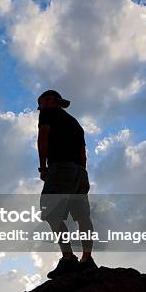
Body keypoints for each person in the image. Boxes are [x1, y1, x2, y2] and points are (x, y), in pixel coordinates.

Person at [37, 89, 97, 279]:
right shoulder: (76, 124)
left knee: (49, 211)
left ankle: (68, 258)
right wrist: (81, 173)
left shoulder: (48, 114)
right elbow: (83, 154)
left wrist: (43, 167)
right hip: (80, 172)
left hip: (60, 168)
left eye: (41, 103)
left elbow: (43, 138)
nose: (40, 108)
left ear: (50, 101)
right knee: (82, 216)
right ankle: (87, 259)